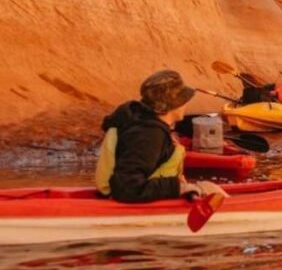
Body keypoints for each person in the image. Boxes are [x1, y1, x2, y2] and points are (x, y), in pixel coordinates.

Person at [95, 70, 221, 202]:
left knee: (209, 187)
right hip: (130, 203)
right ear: (171, 105)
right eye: (183, 99)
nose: (186, 103)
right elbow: (127, 187)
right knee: (211, 189)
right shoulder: (149, 134)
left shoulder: (140, 122)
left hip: (138, 196)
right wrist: (177, 188)